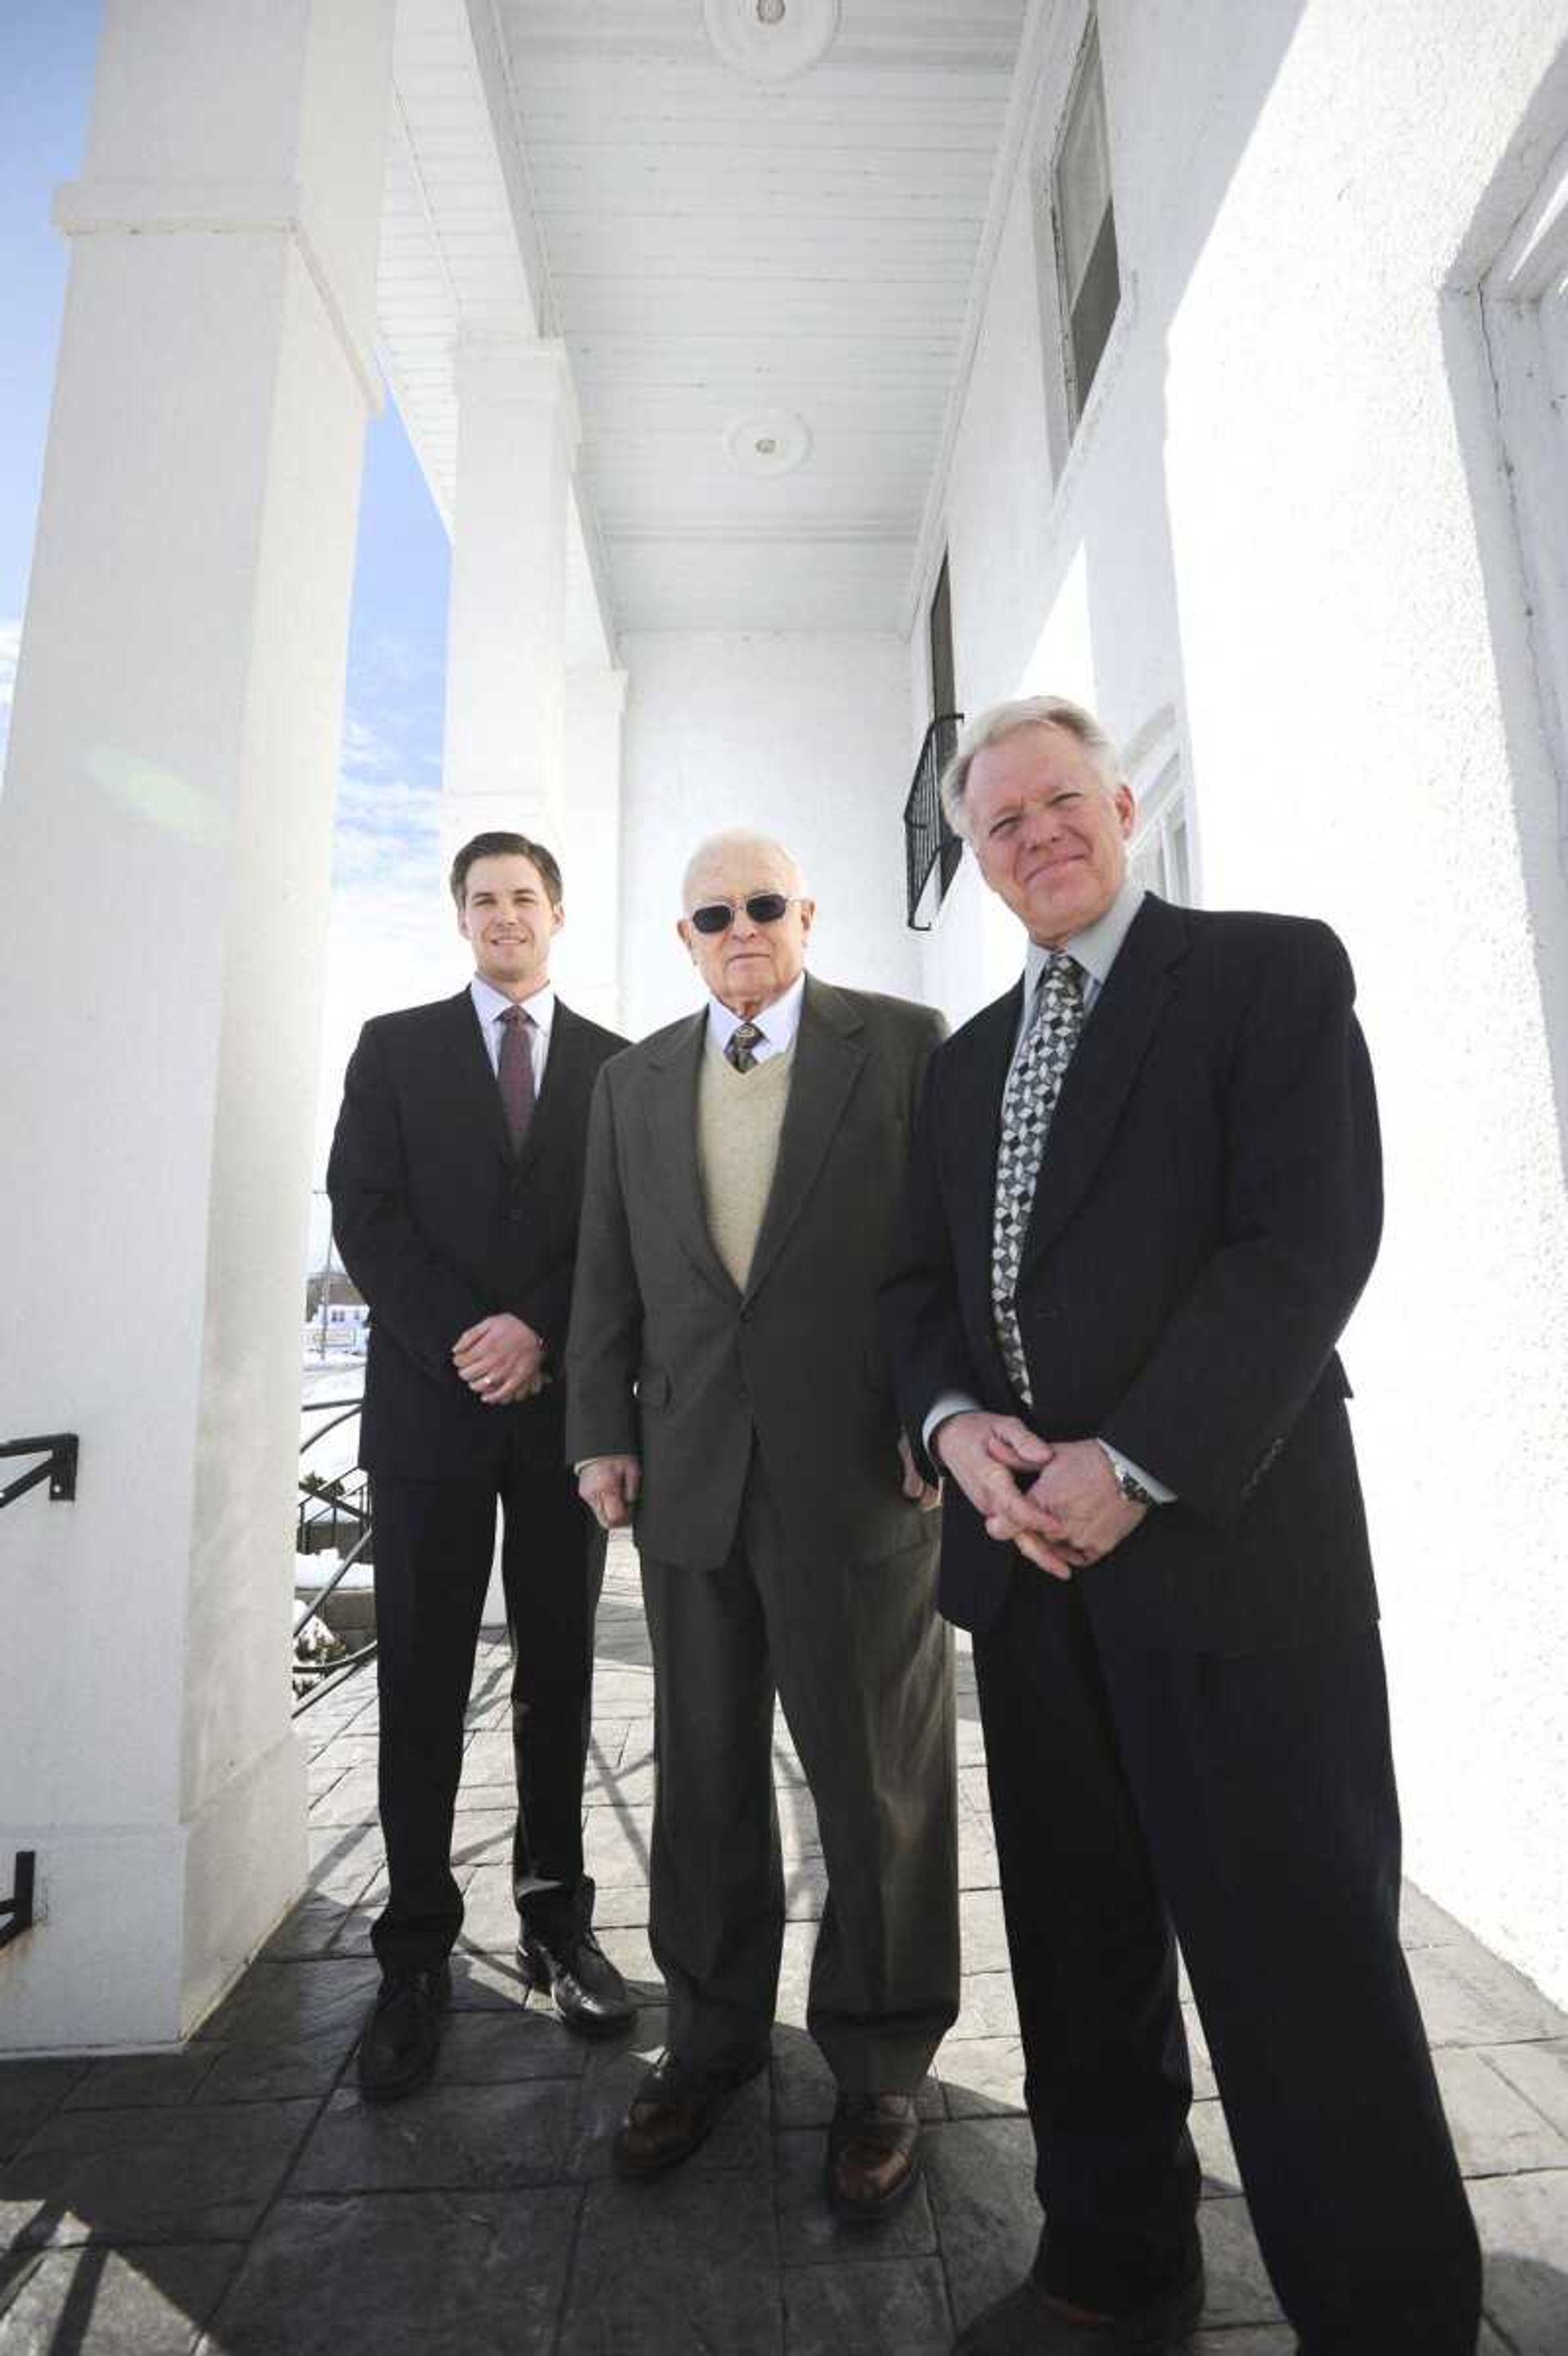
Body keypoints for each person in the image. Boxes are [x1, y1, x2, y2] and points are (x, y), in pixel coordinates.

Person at [883, 698, 1480, 2355]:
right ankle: (1114, 2256)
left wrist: (1133, 1458)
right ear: (979, 857)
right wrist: (956, 1427)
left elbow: (1304, 1243)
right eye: (999, 822)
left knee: (1301, 1960)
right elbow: (919, 1292)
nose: (1036, 835)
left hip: (1231, 1561)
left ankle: (1387, 2313)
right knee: (1078, 1959)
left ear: (1122, 802)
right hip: (1031, 1578)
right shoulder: (960, 1067)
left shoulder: (1269, 976)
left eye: (1059, 799)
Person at [566, 829, 958, 2220]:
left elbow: (951, 1260)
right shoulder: (629, 1082)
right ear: (685, 937)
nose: (742, 929)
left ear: (808, 913)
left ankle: (882, 2061)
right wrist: (598, 1432)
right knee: (706, 1784)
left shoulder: (906, 1046)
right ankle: (712, 2038)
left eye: (765, 906)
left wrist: (941, 1418)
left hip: (859, 1481)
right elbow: (604, 1268)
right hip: (687, 1485)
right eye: (713, 913)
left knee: (879, 1787)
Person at [327, 831, 635, 2102]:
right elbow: (364, 1210)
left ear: (556, 913)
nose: (504, 915)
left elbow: (625, 1231)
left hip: (562, 1418)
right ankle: (412, 1954)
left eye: (524, 896)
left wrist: (542, 1332)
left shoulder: (620, 1069)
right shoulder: (393, 1048)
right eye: (482, 899)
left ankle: (557, 1920)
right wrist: (471, 1335)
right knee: (422, 1679)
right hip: (430, 1413)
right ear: (459, 918)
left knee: (559, 1674)